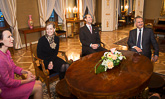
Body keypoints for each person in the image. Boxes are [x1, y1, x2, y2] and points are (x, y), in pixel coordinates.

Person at [0, 29, 43, 99]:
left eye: (11, 36)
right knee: (38, 88)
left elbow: (13, 67)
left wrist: (26, 71)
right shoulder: (1, 59)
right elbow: (7, 82)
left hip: (12, 85)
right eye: (9, 37)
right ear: (1, 40)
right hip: (6, 90)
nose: (12, 39)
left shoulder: (7, 52)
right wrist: (27, 80)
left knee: (39, 83)